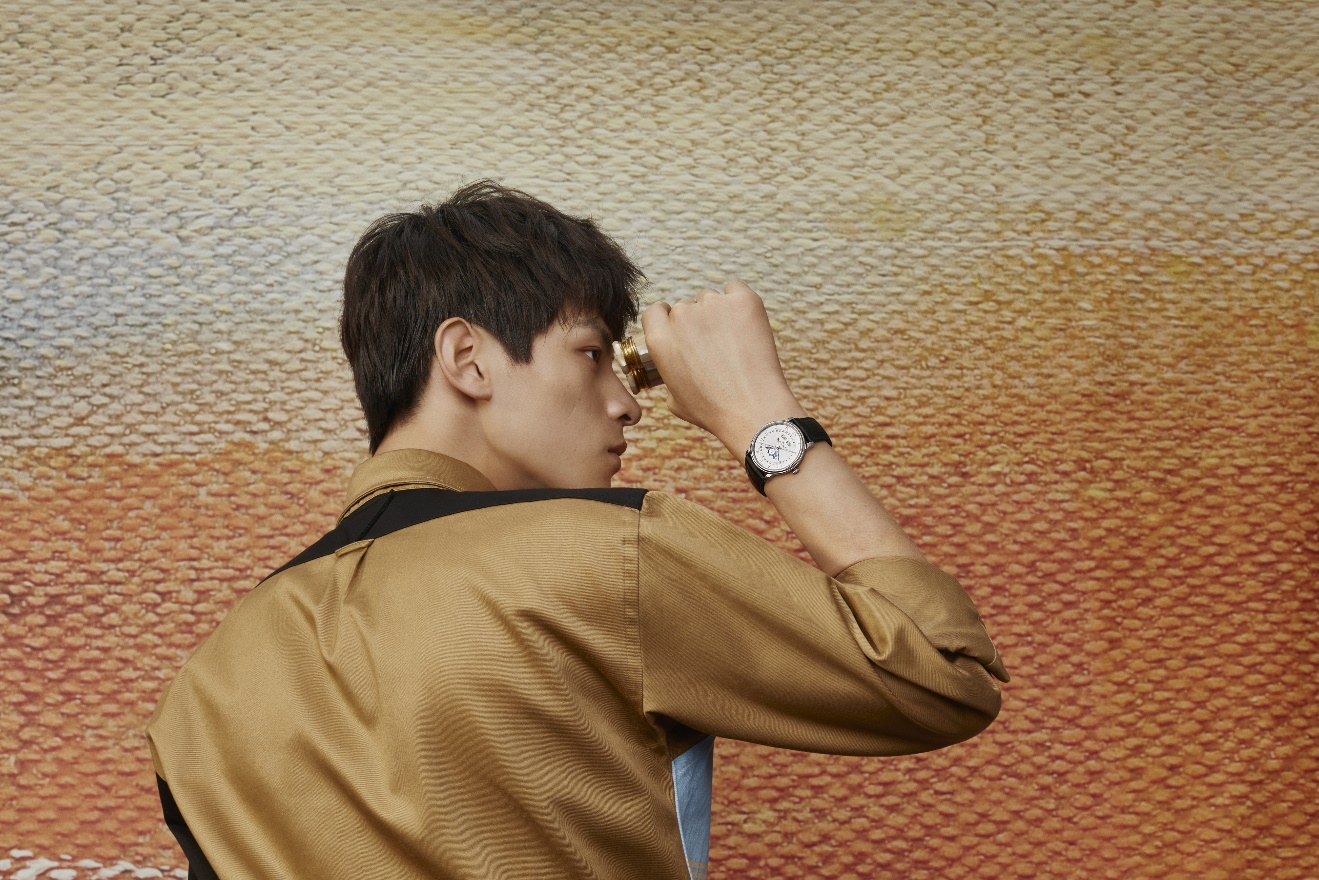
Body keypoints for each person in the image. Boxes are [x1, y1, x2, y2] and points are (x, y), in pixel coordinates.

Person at [147, 180, 1009, 880]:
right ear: (466, 359)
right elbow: (942, 671)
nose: (628, 404)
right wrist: (760, 416)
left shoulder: (205, 690)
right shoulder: (602, 550)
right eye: (593, 355)